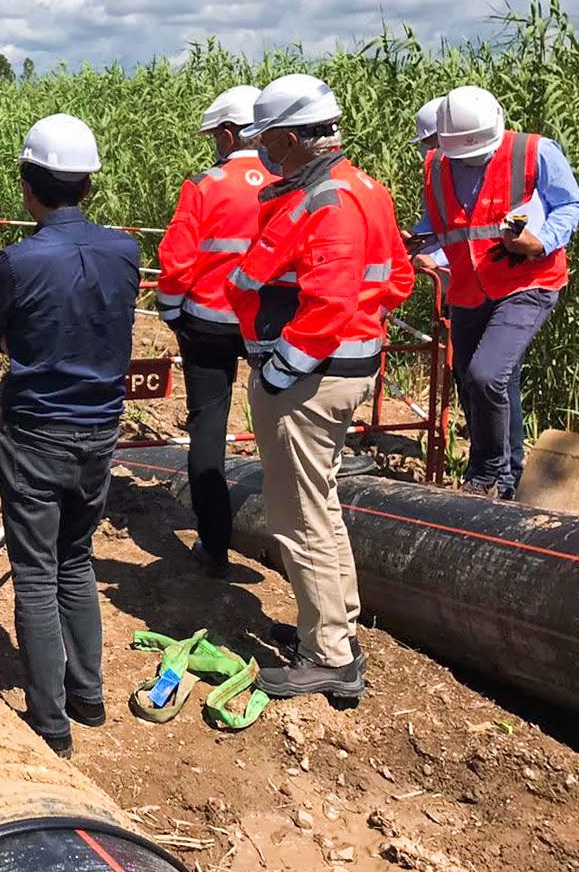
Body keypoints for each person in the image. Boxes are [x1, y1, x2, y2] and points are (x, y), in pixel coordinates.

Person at [226, 74, 414, 699]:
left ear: (289, 137)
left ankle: (329, 655)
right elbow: (398, 278)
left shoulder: (327, 201)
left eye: (268, 140)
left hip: (310, 381)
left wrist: (277, 374)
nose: (263, 152)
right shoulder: (365, 189)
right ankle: (337, 628)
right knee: (322, 506)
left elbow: (328, 305)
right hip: (341, 371)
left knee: (298, 517)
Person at [0, 114, 141, 758]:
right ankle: (88, 696)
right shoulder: (125, 251)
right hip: (101, 430)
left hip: (38, 430)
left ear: (27, 183)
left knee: (36, 573)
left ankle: (50, 724)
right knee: (77, 557)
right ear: (87, 187)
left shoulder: (18, 261)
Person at [420, 86, 579, 499]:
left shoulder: (535, 151)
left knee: (487, 374)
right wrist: (416, 241)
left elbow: (569, 205)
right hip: (469, 286)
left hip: (527, 282)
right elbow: (441, 223)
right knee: (477, 379)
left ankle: (488, 474)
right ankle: (507, 472)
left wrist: (540, 241)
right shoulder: (437, 165)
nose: (471, 161)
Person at [154, 85, 274, 578]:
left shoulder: (205, 185)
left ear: (228, 134)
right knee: (280, 425)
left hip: (207, 320)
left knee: (208, 430)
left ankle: (214, 545)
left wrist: (170, 310)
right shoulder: (289, 180)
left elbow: (177, 258)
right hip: (267, 324)